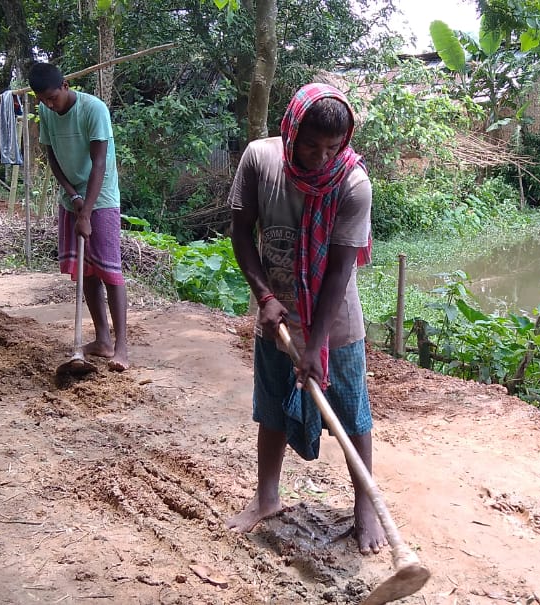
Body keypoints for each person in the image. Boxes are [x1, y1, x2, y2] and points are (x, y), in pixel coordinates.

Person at [224, 83, 384, 555]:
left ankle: (365, 508)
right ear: (291, 131)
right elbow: (239, 230)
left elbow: (339, 271)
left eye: (333, 148)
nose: (320, 158)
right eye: (310, 145)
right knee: (272, 406)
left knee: (353, 414)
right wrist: (264, 297)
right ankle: (267, 497)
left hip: (334, 322)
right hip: (275, 311)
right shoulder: (259, 159)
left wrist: (314, 345)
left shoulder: (353, 184)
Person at [28, 62, 130, 371]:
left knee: (109, 270)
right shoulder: (46, 112)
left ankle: (121, 346)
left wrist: (87, 210)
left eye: (52, 97)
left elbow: (100, 162)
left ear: (65, 85)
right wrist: (73, 195)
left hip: (102, 196)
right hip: (72, 196)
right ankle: (102, 340)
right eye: (42, 99)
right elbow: (52, 158)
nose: (48, 104)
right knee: (85, 271)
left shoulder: (93, 110)